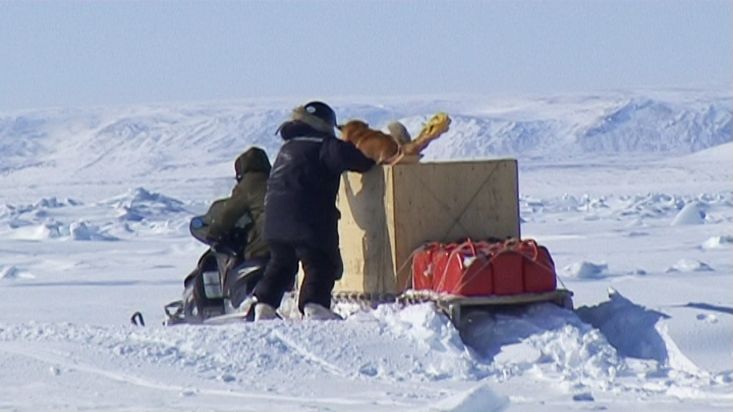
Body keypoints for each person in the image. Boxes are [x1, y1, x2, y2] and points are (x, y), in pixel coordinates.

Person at [250, 101, 375, 321]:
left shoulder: (286, 148)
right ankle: (314, 305)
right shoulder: (324, 145)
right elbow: (358, 161)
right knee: (320, 261)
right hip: (307, 219)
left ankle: (264, 305)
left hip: (274, 221)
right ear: (324, 124)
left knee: (281, 263)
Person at [172, 147, 272, 323]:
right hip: (283, 245)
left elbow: (226, 215)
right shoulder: (275, 182)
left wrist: (213, 231)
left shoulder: (248, 185)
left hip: (261, 247)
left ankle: (233, 306)